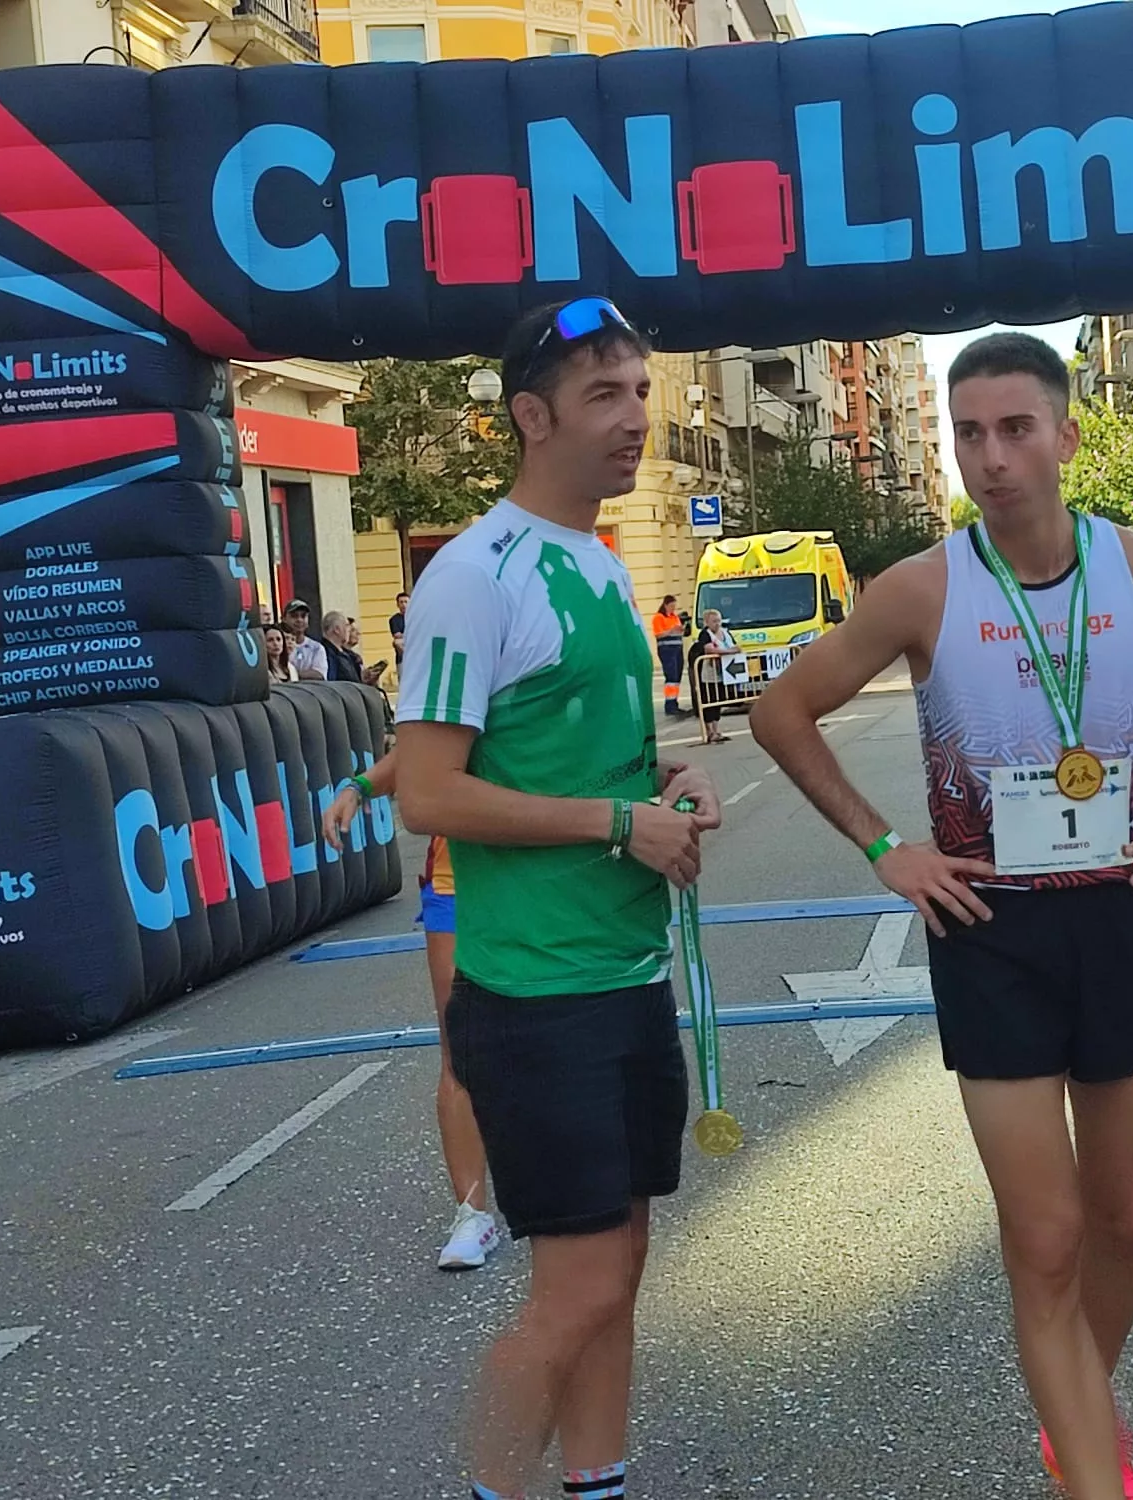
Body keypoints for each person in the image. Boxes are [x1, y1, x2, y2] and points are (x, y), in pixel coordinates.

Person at [753, 331, 1133, 1500]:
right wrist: (886, 846)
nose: (990, 458)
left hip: (1121, 914)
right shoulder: (919, 589)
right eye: (968, 434)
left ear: (1065, 436)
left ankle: (1070, 1416)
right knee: (1043, 1240)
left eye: (1015, 428)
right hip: (990, 932)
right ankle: (1094, 1471)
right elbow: (783, 710)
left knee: (1124, 1221)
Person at [394, 296, 721, 1500]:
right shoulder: (471, 576)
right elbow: (426, 792)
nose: (635, 418)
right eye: (603, 396)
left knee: (617, 1268)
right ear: (529, 417)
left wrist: (665, 780)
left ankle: (598, 1483)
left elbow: (583, 762)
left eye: (639, 389)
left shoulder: (594, 556)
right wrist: (613, 822)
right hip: (538, 995)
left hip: (623, 976)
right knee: (575, 1288)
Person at [321, 753, 503, 1271]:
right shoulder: (456, 671)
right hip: (457, 880)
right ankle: (472, 1214)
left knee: (557, 1031)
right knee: (461, 1048)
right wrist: (356, 787)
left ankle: (576, 1189)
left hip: (546, 875)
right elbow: (427, 742)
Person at [690, 607, 737, 745]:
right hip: (708, 674)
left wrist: (727, 651)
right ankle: (709, 732)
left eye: (719, 620)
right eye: (714, 621)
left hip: (724, 673)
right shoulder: (705, 634)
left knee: (718, 701)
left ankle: (716, 731)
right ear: (707, 622)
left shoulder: (725, 633)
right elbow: (710, 649)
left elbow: (736, 646)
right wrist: (728, 651)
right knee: (709, 701)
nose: (717, 623)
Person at [651, 594, 687, 718]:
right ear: (665, 605)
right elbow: (658, 634)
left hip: (677, 649)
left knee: (676, 677)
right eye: (671, 606)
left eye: (674, 606)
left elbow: (679, 631)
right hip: (667, 650)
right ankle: (670, 705)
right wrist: (671, 630)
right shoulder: (658, 617)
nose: (673, 609)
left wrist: (681, 629)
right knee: (671, 677)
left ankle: (674, 703)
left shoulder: (674, 617)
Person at [284, 601, 328, 680]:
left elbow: (319, 674)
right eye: (294, 616)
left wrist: (292, 674)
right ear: (284, 619)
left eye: (303, 616)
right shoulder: (277, 645)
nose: (299, 620)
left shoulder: (317, 648)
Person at [390, 590, 412, 662]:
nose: (404, 604)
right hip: (402, 655)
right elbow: (397, 635)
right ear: (397, 604)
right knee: (396, 642)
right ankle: (409, 656)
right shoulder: (394, 619)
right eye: (401, 602)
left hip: (415, 643)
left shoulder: (416, 617)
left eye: (406, 602)